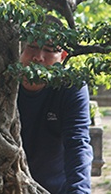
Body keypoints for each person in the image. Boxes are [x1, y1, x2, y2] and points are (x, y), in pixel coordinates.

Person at [17, 20, 93, 194]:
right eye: (32, 47)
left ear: (63, 56)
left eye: (49, 50)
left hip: (53, 188)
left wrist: (79, 191)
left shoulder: (71, 86)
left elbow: (78, 143)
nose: (38, 57)